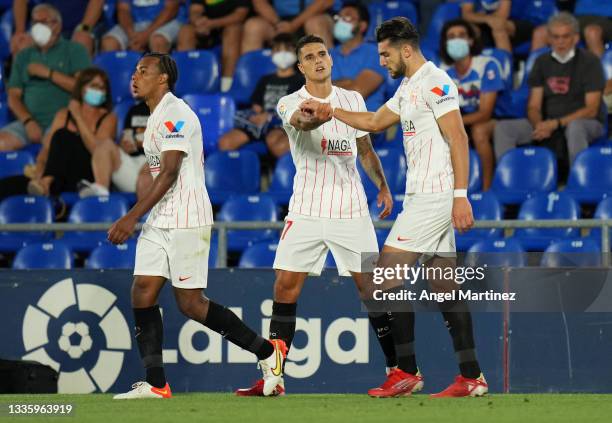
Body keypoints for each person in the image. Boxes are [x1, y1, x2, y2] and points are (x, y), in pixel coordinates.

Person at [301, 17, 488, 398]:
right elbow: (372, 121)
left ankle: (405, 371)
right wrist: (330, 111)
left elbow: (459, 137)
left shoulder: (435, 82)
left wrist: (460, 195)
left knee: (385, 276)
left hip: (434, 196)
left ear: (406, 50)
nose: (382, 61)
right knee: (443, 284)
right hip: (422, 196)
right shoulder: (408, 88)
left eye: (386, 54)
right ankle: (472, 378)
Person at [108, 53, 286, 399]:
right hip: (161, 216)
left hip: (187, 216)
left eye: (143, 71)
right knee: (142, 290)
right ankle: (157, 384)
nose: (134, 76)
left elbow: (172, 171)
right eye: (134, 71)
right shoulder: (155, 116)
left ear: (163, 79)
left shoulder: (176, 113)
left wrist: (131, 216)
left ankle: (267, 352)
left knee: (190, 303)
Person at [236, 35, 395, 397]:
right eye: (309, 56)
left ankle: (396, 369)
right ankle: (274, 378)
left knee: (372, 289)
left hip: (352, 210)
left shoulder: (352, 99)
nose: (319, 59)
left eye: (322, 53)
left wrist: (382, 186)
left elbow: (365, 147)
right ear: (301, 67)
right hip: (306, 209)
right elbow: (301, 125)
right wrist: (313, 118)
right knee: (284, 288)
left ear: (331, 60)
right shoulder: (290, 102)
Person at [493, 12, 605, 177]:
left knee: (576, 128)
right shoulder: (541, 61)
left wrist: (556, 123)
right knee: (504, 129)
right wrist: (539, 125)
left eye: (565, 37)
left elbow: (592, 109)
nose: (560, 42)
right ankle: (509, 179)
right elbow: (533, 105)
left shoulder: (590, 61)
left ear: (575, 38)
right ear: (549, 38)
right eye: (555, 37)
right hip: (547, 121)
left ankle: (578, 179)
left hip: (586, 123)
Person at [0, 3, 91, 151]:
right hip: (29, 123)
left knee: (53, 146)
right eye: (35, 22)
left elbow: (84, 88)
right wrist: (28, 121)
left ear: (57, 25)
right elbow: (13, 96)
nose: (38, 27)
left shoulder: (74, 50)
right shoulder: (24, 56)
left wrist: (49, 73)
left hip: (63, 121)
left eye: (44, 22)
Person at [26, 67, 117, 196]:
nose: (98, 90)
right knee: (8, 186)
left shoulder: (109, 118)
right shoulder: (63, 115)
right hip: (58, 175)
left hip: (89, 174)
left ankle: (47, 183)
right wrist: (39, 171)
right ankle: (46, 182)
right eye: (94, 85)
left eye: (102, 88)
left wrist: (78, 116)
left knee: (62, 136)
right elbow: (46, 150)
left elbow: (98, 151)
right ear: (81, 88)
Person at [440, 18, 504, 191]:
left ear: (471, 40)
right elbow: (440, 107)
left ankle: (487, 188)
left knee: (479, 130)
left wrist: (452, 124)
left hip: (495, 119)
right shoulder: (442, 71)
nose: (456, 40)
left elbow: (485, 113)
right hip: (461, 119)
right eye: (451, 37)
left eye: (461, 35)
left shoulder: (487, 65)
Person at [218, 33, 304, 158]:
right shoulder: (265, 79)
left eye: (287, 49)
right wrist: (256, 117)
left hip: (280, 123)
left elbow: (297, 109)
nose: (282, 54)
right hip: (259, 124)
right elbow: (257, 106)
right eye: (278, 50)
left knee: (276, 144)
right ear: (272, 54)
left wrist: (270, 117)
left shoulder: (300, 81)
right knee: (225, 143)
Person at [79, 99, 153, 200]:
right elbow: (127, 136)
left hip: (158, 165)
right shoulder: (135, 110)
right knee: (105, 144)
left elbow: (175, 139)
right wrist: (125, 144)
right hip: (132, 165)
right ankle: (101, 191)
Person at [176, 0, 249, 92]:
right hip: (206, 27)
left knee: (233, 31)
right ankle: (184, 84)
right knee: (186, 31)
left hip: (229, 25)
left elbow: (240, 15)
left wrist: (213, 23)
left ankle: (226, 87)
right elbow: (195, 10)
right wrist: (198, 22)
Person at [330, 1, 386, 113]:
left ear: (362, 26)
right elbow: (311, 89)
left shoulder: (375, 53)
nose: (341, 21)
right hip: (331, 123)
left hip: (366, 125)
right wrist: (348, 83)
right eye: (338, 17)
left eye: (347, 17)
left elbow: (357, 92)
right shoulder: (327, 54)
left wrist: (326, 84)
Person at [11, 0, 105, 56]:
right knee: (21, 43)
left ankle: (78, 87)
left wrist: (84, 29)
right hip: (47, 25)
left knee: (82, 42)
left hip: (81, 26)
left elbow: (97, 1)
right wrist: (20, 30)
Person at [241, 0, 334, 54]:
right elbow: (259, 2)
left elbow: (325, 2)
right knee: (253, 26)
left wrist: (294, 24)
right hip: (280, 20)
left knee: (314, 23)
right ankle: (250, 83)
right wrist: (278, 23)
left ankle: (329, 79)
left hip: (316, 15)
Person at [460, 0, 548, 52]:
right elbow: (466, 14)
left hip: (519, 22)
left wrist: (481, 17)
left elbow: (502, 15)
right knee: (469, 29)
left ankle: (505, 69)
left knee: (498, 25)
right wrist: (486, 18)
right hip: (488, 23)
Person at [101, 0, 185, 54]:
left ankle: (160, 80)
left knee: (158, 40)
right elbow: (123, 9)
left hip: (166, 22)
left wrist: (146, 34)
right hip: (134, 24)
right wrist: (131, 35)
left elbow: (171, 9)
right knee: (109, 42)